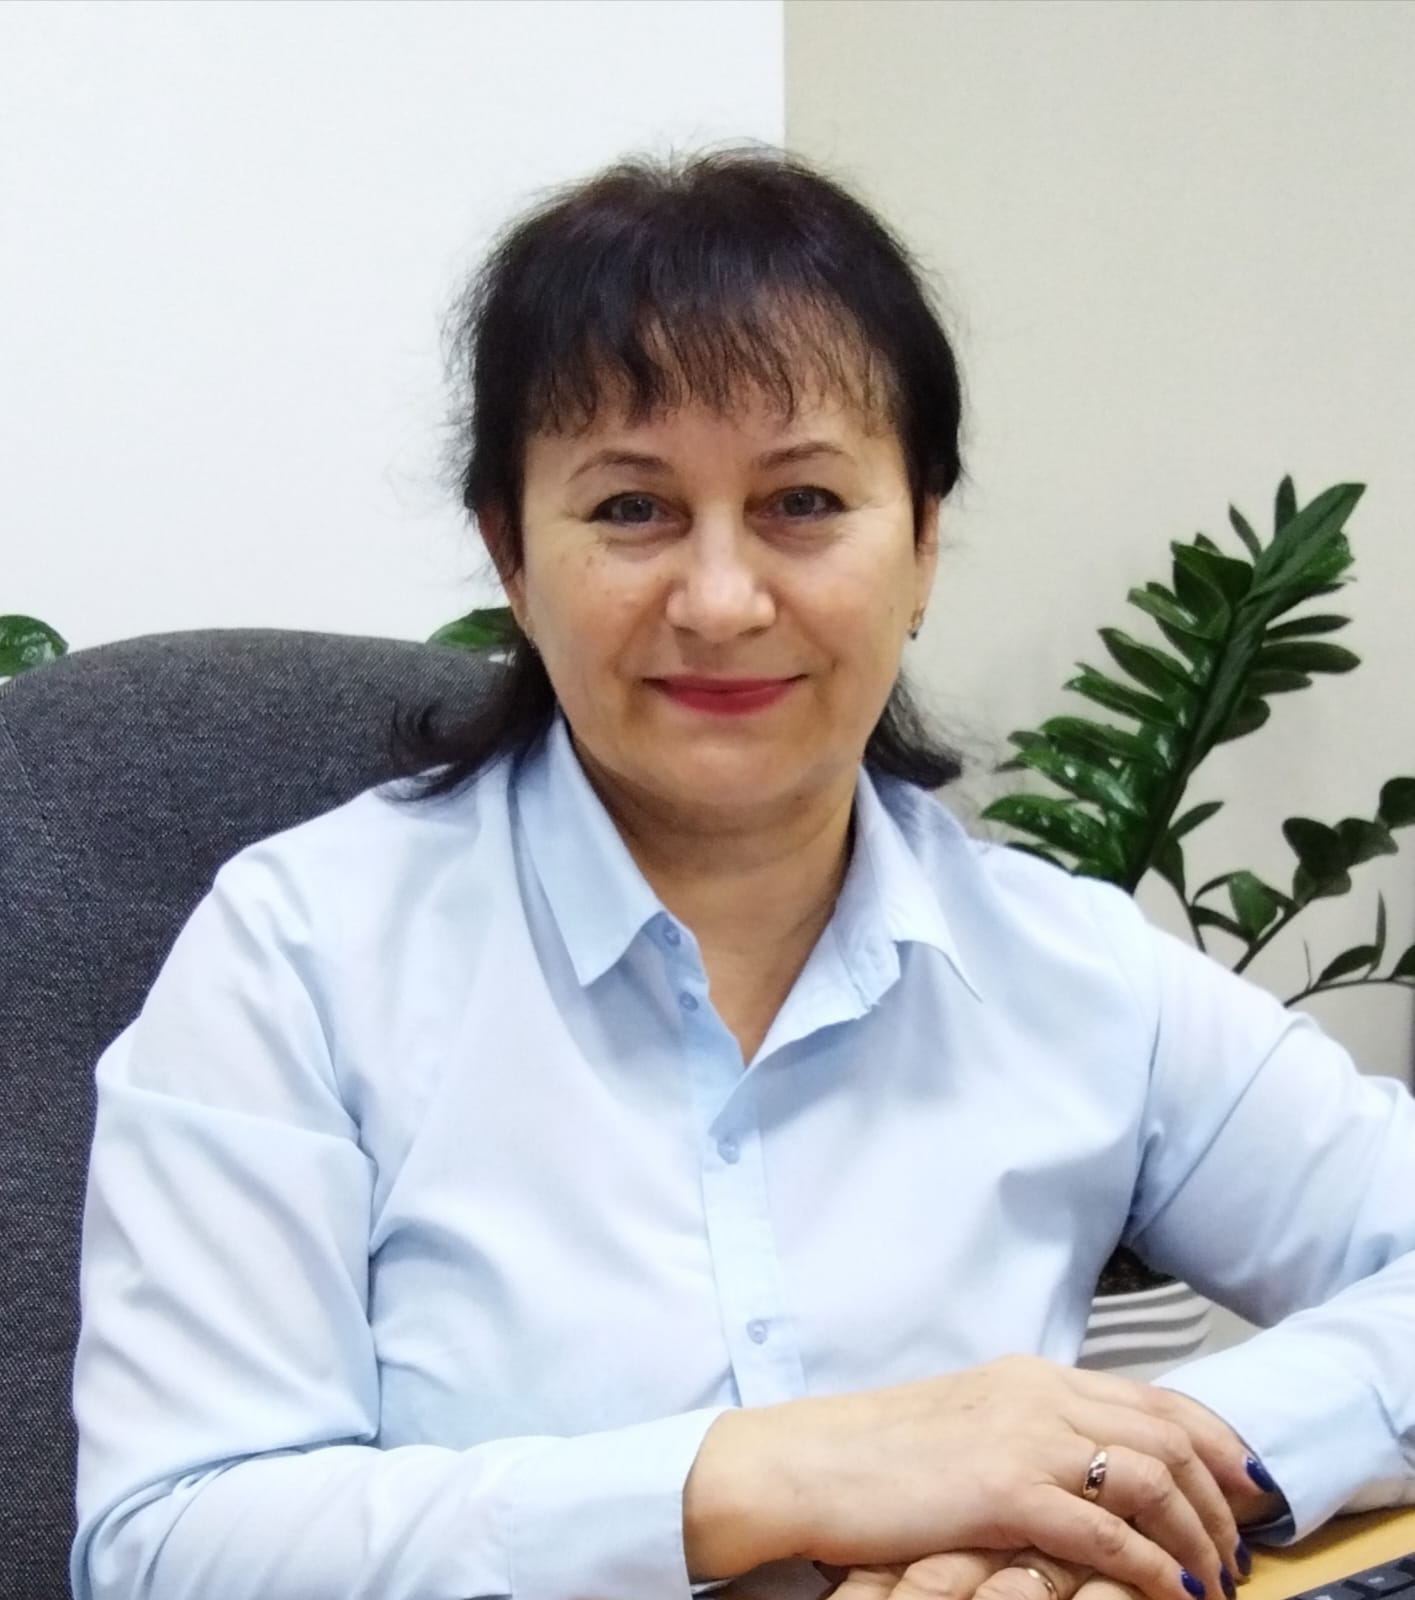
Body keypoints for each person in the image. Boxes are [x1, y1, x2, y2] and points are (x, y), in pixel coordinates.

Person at [70, 143, 1415, 1600]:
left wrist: (1122, 1472)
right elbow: (171, 1541)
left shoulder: (1066, 967)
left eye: (805, 502)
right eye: (631, 509)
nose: (720, 600)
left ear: (924, 543)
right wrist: (780, 1477)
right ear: (511, 556)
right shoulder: (302, 957)